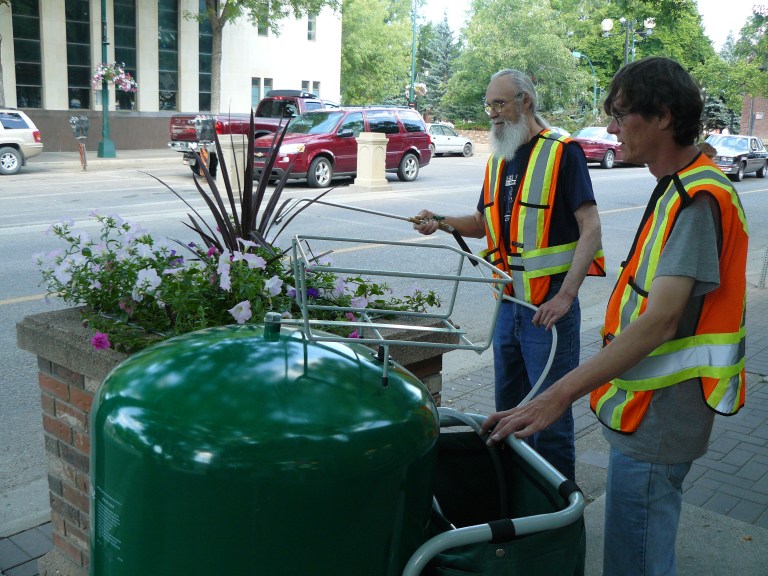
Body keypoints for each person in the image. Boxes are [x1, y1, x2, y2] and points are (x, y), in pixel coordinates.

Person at [481, 57, 748, 576]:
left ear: (663, 117)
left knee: (636, 559)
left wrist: (560, 394)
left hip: (661, 420)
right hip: (647, 412)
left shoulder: (696, 200)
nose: (610, 128)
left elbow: (661, 320)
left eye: (621, 115)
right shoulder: (679, 185)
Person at [413, 69, 604, 482]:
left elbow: (591, 226)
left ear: (525, 102)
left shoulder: (562, 152)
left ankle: (555, 516)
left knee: (548, 420)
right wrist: (440, 220)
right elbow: (482, 223)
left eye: (499, 104)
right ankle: (517, 496)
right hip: (509, 305)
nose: (493, 115)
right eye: (489, 106)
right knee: (509, 410)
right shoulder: (500, 155)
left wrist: (566, 297)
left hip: (548, 309)